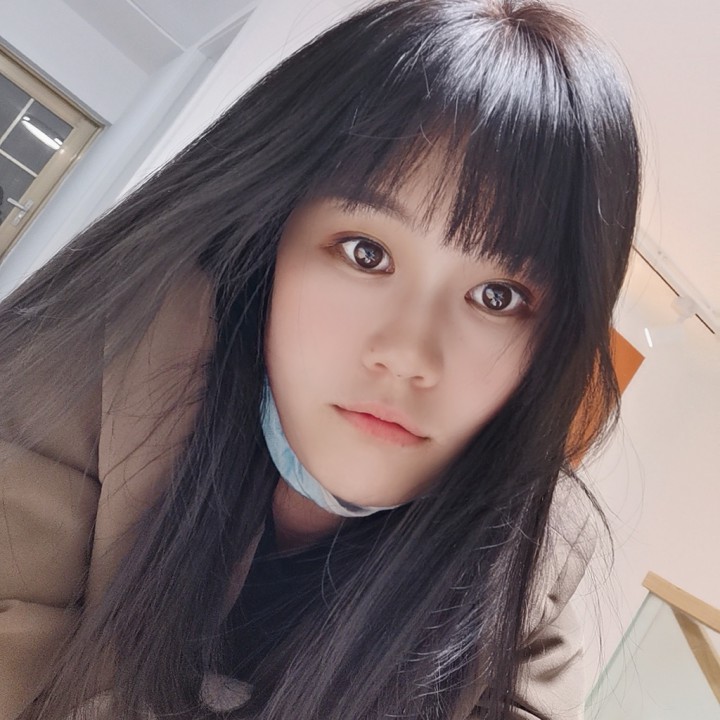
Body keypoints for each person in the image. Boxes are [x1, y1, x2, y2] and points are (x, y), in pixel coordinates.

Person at [0, 0, 640, 718]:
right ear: (271, 239)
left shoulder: (534, 576)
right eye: (366, 253)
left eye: (498, 297)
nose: (408, 355)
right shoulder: (94, 370)